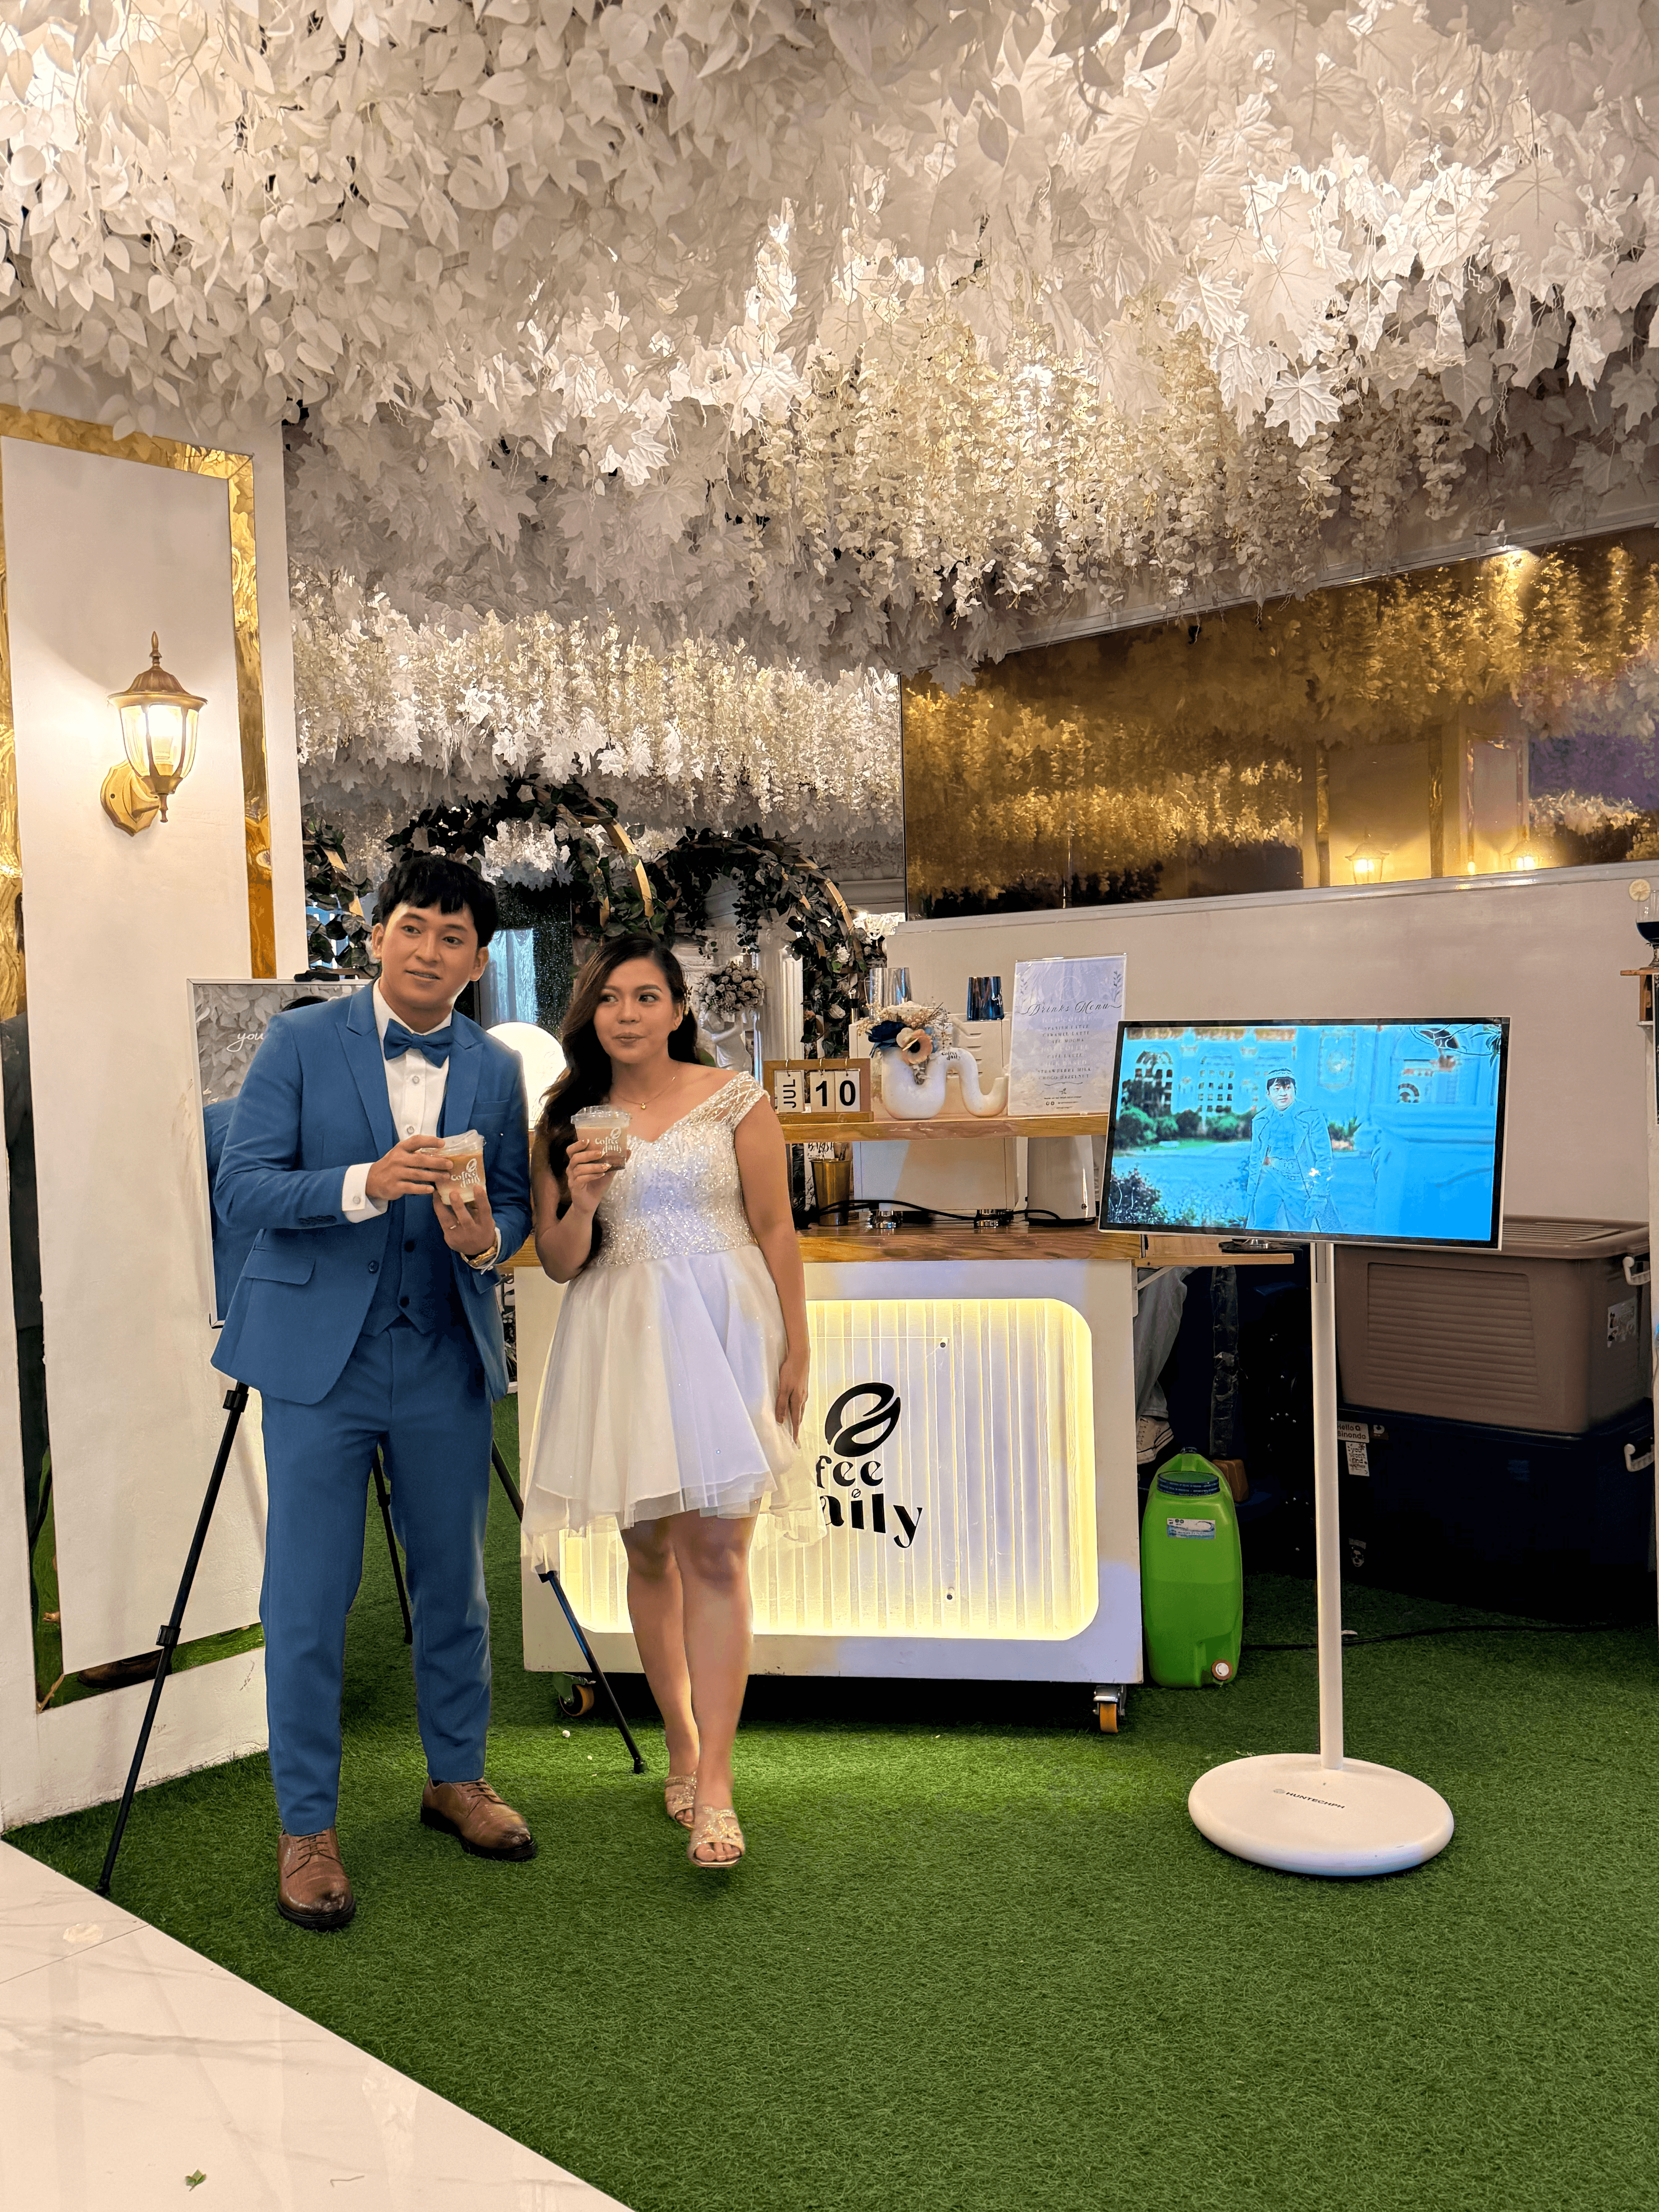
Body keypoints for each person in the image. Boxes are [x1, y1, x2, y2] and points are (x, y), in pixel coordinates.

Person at [213, 854, 533, 1932]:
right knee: (309, 1596)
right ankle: (307, 1825)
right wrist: (361, 1184)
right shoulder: (303, 1041)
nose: (429, 949)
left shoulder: (492, 1065)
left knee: (457, 1584)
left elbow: (514, 1205)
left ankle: (458, 1777)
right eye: (413, 927)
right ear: (377, 934)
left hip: (443, 1350)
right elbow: (243, 1183)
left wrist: (486, 1237)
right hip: (319, 1361)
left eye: (453, 936)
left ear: (477, 959)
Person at [518, 935, 814, 1869]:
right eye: (610, 998)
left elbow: (776, 1225)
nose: (629, 1013)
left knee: (720, 1546)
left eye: (648, 995)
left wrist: (798, 1340)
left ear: (679, 1009)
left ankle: (719, 1783)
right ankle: (680, 1746)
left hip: (727, 1328)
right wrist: (580, 1197)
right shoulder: (565, 1120)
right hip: (621, 1336)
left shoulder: (736, 1100)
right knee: (649, 1546)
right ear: (590, 1014)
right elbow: (562, 1263)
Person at [1244, 1071, 1340, 1233]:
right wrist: (1251, 1192)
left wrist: (1319, 1195)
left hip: (1301, 1180)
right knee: (1261, 1226)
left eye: (1288, 1088)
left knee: (1300, 1231)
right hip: (1271, 1177)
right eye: (1277, 1089)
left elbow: (1323, 1159)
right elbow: (1256, 1158)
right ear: (1268, 1094)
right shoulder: (1261, 1120)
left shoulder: (1312, 1116)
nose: (1283, 1093)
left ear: (1295, 1090)